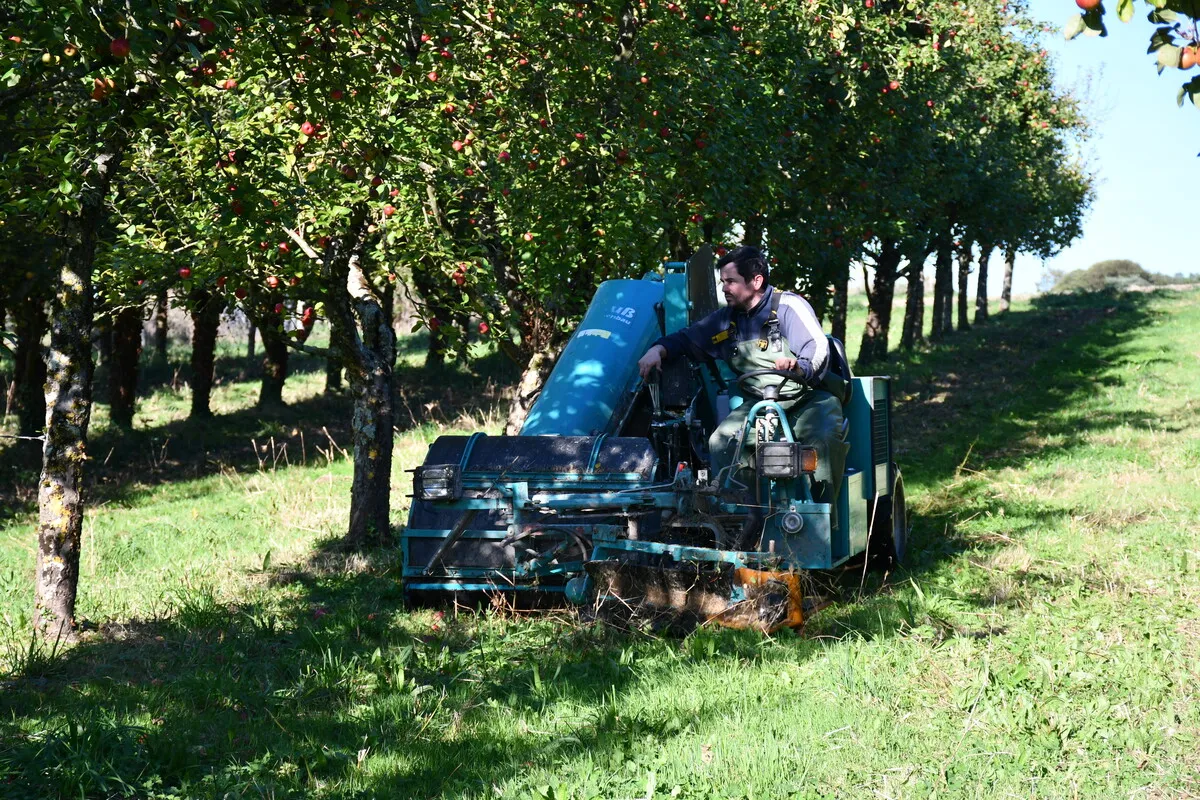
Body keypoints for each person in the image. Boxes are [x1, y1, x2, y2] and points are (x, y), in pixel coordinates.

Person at [636, 246, 848, 543]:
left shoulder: (788, 307)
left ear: (756, 281)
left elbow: (818, 349)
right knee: (721, 442)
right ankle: (745, 523)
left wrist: (798, 367)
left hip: (808, 398)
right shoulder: (726, 320)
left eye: (730, 281)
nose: (725, 288)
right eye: (722, 282)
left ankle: (816, 530)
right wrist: (658, 349)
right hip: (758, 404)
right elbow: (686, 339)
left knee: (821, 443)